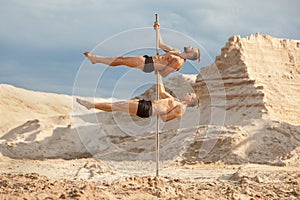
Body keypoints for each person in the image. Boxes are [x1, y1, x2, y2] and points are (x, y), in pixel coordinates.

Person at [83, 23, 200, 77]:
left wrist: (159, 69)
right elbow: (161, 44)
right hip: (149, 59)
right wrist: (157, 30)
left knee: (123, 59)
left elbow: (164, 74)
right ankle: (96, 59)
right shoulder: (176, 51)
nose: (190, 46)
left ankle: (96, 59)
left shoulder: (178, 62)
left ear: (190, 55)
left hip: (150, 65)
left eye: (192, 49)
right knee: (122, 60)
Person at [76, 76, 199, 122]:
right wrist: (159, 75)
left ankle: (91, 105)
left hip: (148, 109)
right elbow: (161, 91)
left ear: (190, 101)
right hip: (147, 104)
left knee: (118, 105)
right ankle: (92, 105)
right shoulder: (175, 100)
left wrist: (160, 110)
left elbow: (165, 118)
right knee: (118, 104)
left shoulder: (181, 108)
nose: (187, 93)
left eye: (190, 94)